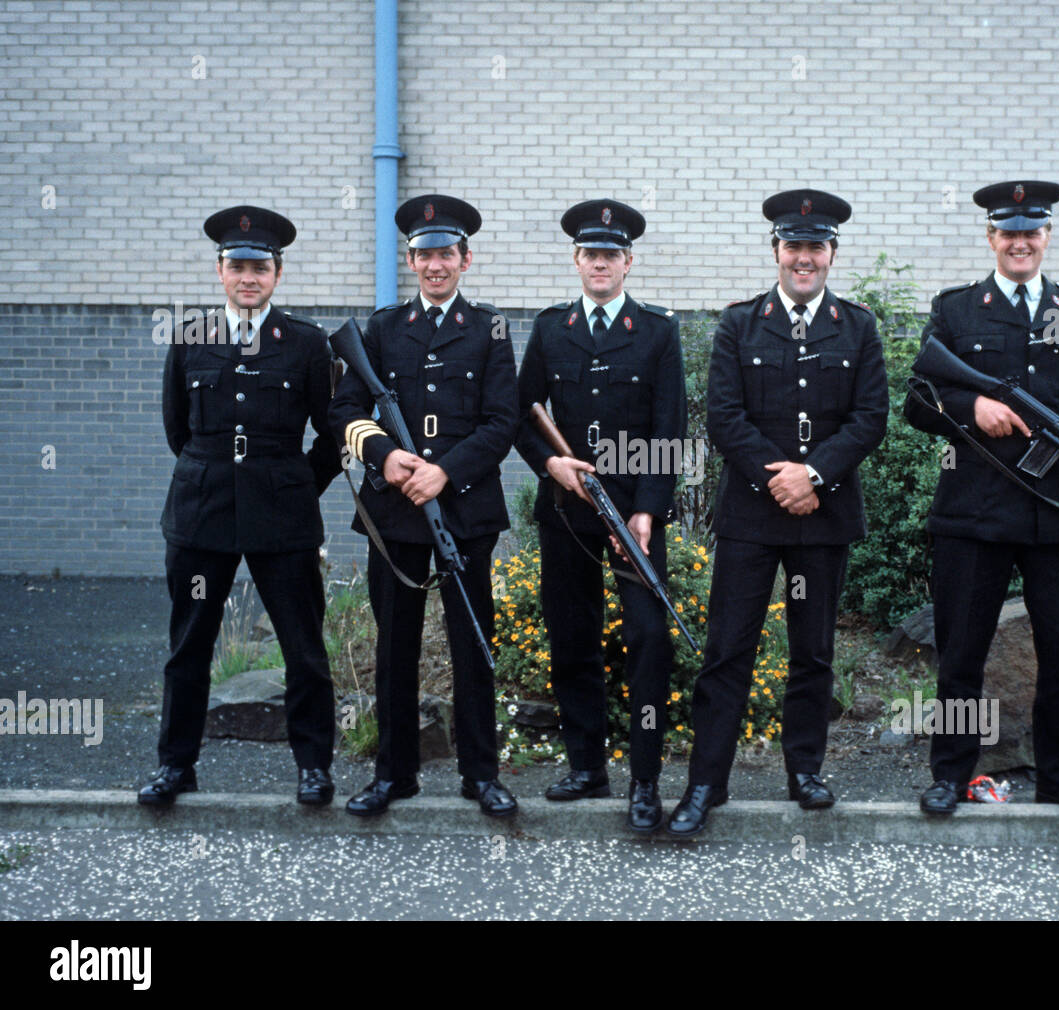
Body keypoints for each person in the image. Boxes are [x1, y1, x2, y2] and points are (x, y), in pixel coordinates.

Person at [667, 189, 889, 837]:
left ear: (831, 254)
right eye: (793, 246)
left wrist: (814, 474)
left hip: (824, 514)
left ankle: (806, 772)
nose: (804, 258)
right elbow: (725, 419)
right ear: (775, 251)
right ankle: (707, 782)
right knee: (727, 651)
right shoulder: (740, 324)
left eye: (815, 247)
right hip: (753, 517)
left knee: (813, 653)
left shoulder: (859, 327)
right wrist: (782, 479)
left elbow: (869, 419)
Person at [902, 180, 1059, 816]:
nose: (1019, 241)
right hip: (975, 513)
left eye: (1031, 231)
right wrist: (974, 406)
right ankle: (951, 775)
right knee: (962, 653)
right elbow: (919, 400)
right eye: (1008, 231)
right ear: (991, 237)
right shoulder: (956, 310)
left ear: (1046, 237)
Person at [140, 205, 340, 807]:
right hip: (203, 517)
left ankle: (313, 767)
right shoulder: (190, 337)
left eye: (260, 267)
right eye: (237, 266)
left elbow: (332, 434)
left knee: (303, 647)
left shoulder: (306, 343)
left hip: (282, 517)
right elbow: (178, 428)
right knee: (188, 646)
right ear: (219, 270)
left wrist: (295, 482)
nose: (248, 277)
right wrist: (215, 474)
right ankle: (176, 766)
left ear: (277, 274)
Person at [329, 193, 519, 817]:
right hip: (395, 514)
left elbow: (501, 422)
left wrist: (443, 473)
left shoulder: (490, 329)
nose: (434, 266)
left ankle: (481, 775)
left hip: (463, 509)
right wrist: (385, 456)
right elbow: (344, 411)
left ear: (467, 259)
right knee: (395, 648)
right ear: (410, 261)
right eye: (423, 255)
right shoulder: (382, 330)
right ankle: (394, 775)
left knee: (472, 642)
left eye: (446, 254)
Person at [514, 199, 687, 833]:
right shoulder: (550, 327)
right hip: (565, 512)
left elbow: (669, 431)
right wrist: (550, 466)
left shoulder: (659, 331)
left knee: (647, 638)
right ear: (578, 261)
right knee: (571, 639)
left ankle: (644, 779)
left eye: (611, 256)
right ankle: (587, 766)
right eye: (591, 255)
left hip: (632, 516)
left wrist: (646, 511)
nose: (600, 264)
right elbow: (521, 412)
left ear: (628, 263)